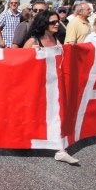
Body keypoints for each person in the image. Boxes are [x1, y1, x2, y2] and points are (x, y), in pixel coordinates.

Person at [23, 12, 80, 164]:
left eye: (58, 21)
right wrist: (31, 54)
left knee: (56, 116)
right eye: (53, 22)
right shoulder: (32, 41)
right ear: (44, 24)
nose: (56, 24)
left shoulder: (57, 39)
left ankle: (60, 150)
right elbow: (19, 65)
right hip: (36, 89)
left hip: (53, 87)